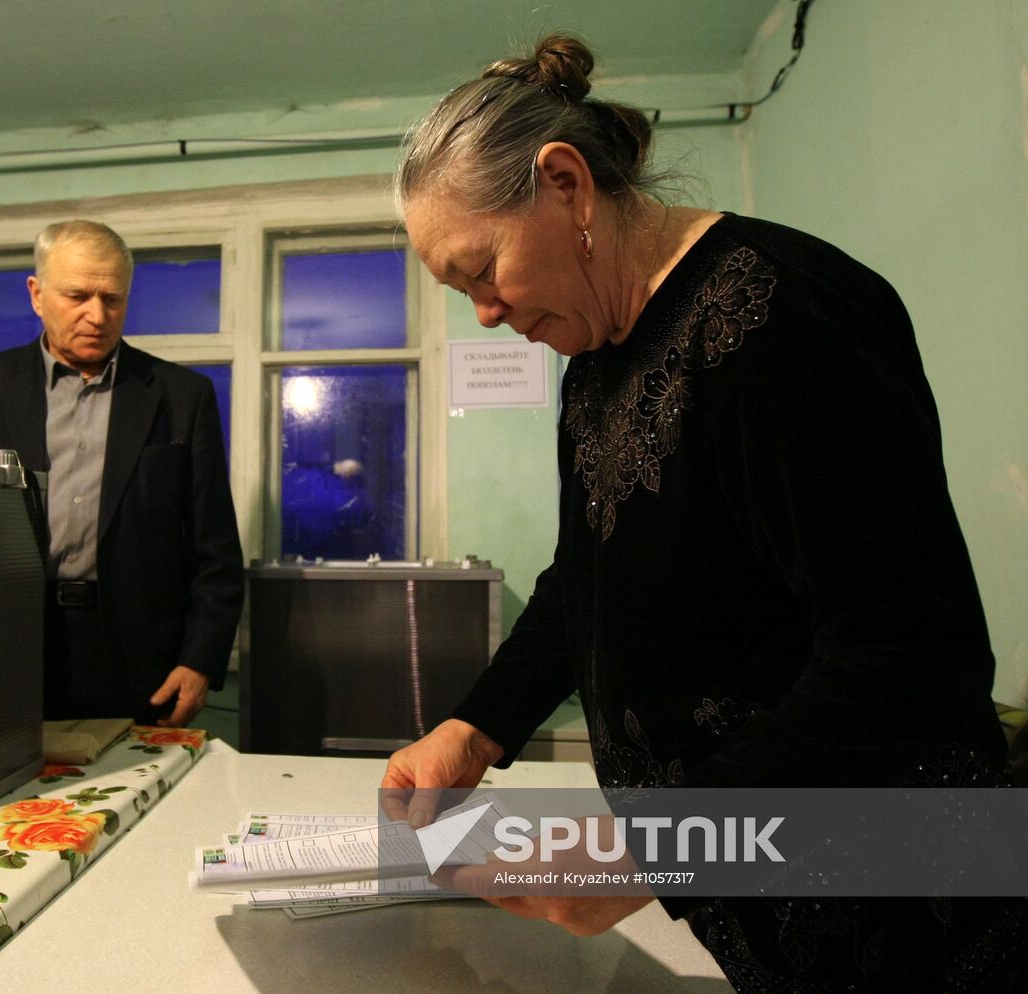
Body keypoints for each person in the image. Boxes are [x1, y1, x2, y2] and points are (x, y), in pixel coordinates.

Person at [382, 34, 1027, 990]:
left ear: (566, 185)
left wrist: (659, 847)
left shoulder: (789, 311)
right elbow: (582, 580)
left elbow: (910, 659)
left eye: (481, 271)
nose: (482, 311)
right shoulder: (597, 362)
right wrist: (477, 727)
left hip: (913, 904)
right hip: (764, 902)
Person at [0, 220, 243, 727]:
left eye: (112, 299)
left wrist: (200, 658)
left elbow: (215, 548)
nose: (95, 315)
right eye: (77, 295)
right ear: (37, 295)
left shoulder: (181, 397)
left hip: (141, 655)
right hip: (7, 647)